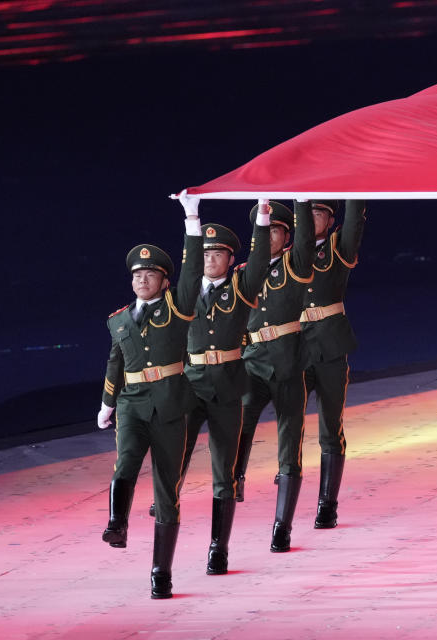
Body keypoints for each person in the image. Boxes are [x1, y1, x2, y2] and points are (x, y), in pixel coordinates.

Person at [96, 192, 203, 599]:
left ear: (163, 281)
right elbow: (114, 362)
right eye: (137, 276)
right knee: (124, 463)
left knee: (166, 489)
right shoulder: (118, 319)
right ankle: (116, 523)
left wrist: (191, 216)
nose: (142, 280)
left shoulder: (177, 308)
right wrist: (107, 403)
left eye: (150, 275)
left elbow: (193, 270)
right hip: (131, 404)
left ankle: (162, 572)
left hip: (171, 406)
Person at [177, 204, 271, 574]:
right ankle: (167, 501)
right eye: (204, 253)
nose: (209, 259)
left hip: (229, 387)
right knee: (173, 451)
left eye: (217, 254)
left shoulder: (241, 288)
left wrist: (263, 217)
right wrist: (190, 217)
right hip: (192, 383)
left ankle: (219, 547)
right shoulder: (185, 292)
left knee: (223, 470)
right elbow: (188, 256)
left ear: (231, 259)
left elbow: (261, 260)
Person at [232, 200, 315, 553]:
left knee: (289, 442)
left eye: (276, 232)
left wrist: (302, 199)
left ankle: (282, 525)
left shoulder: (294, 265)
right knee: (237, 422)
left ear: (287, 237)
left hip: (286, 360)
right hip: (251, 360)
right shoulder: (239, 274)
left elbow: (308, 238)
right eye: (263, 233)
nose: (269, 239)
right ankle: (232, 479)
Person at [295, 199, 366, 534]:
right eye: (307, 213)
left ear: (330, 220)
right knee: (288, 430)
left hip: (330, 346)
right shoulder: (286, 252)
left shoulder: (338, 248)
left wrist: (354, 186)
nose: (312, 219)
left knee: (329, 428)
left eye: (319, 213)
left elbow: (354, 220)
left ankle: (327, 504)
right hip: (293, 348)